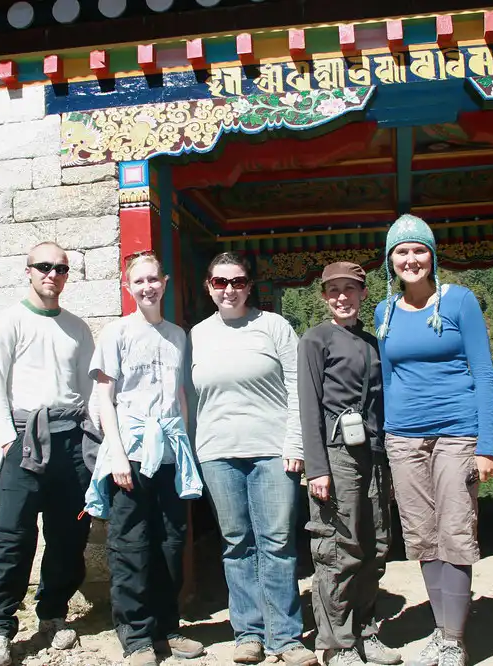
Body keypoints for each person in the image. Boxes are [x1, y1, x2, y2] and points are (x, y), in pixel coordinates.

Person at [373, 215, 493, 666]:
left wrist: (488, 444)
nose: (411, 259)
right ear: (390, 261)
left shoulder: (460, 302)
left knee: (456, 531)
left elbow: (483, 372)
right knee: (423, 535)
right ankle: (440, 630)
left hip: (457, 432)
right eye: (401, 252)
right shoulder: (383, 311)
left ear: (432, 255)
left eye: (418, 250)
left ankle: (452, 639)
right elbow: (387, 379)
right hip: (404, 437)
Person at [189, 252, 318, 666]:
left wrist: (296, 444)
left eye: (239, 281)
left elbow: (299, 387)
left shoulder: (274, 326)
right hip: (217, 452)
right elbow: (187, 399)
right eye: (221, 281)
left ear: (250, 285)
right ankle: (248, 632)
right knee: (236, 544)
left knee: (277, 543)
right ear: (208, 285)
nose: (230, 289)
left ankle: (286, 636)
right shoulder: (196, 336)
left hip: (271, 450)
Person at [0, 241, 96, 666]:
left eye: (61, 268)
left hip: (71, 442)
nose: (53, 274)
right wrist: (7, 438)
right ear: (27, 271)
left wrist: (91, 439)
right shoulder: (9, 321)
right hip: (24, 440)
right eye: (44, 266)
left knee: (70, 533)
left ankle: (53, 613)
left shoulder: (78, 328)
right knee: (12, 535)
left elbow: (87, 388)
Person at [89, 250, 206, 666]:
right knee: (131, 545)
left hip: (171, 454)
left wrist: (188, 448)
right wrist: (116, 451)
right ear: (128, 287)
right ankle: (136, 636)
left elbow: (180, 397)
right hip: (132, 453)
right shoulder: (116, 334)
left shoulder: (177, 335)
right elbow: (105, 396)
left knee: (171, 542)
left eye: (153, 279)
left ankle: (167, 627)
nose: (147, 287)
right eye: (138, 281)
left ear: (165, 281)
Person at [297, 262, 401, 666]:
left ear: (362, 294)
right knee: (339, 547)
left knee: (375, 544)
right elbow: (308, 405)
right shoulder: (315, 340)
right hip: (336, 453)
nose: (342, 297)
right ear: (324, 296)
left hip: (373, 453)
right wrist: (316, 467)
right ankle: (337, 644)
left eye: (350, 289)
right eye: (334, 290)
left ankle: (367, 631)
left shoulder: (374, 344)